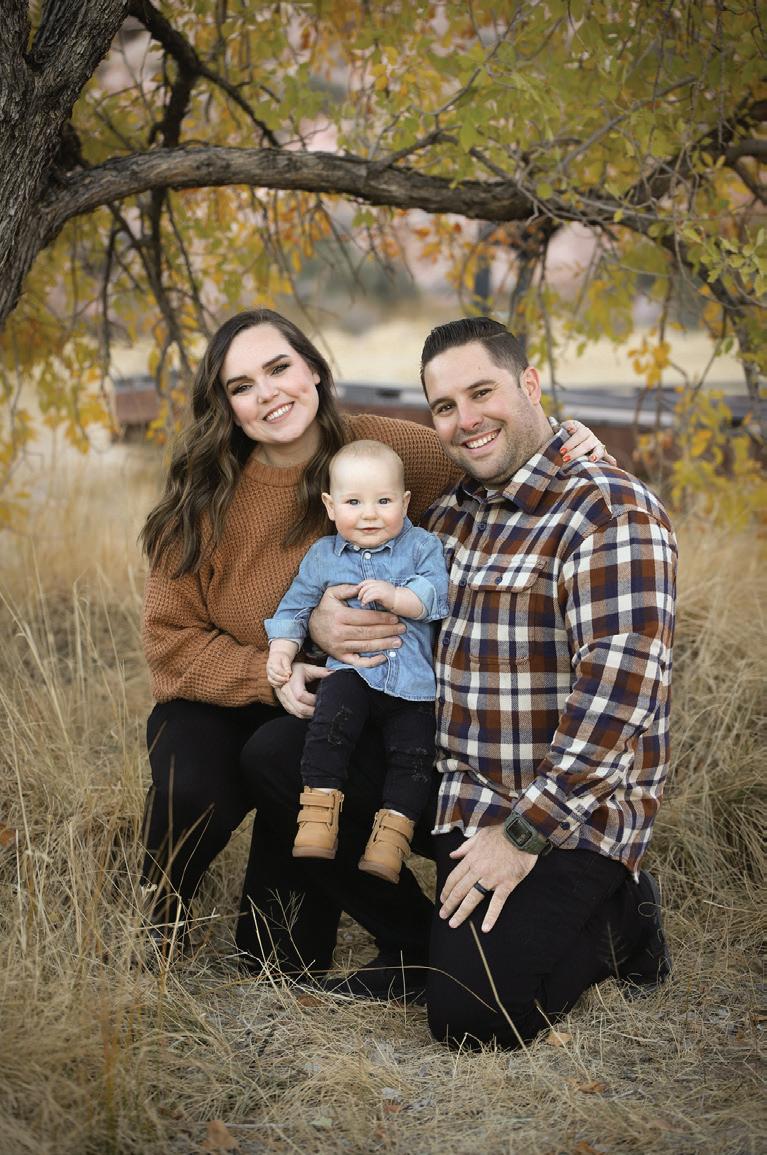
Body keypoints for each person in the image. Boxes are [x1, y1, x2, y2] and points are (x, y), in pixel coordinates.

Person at [138, 304, 608, 977]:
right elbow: (168, 642)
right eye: (242, 386)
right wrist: (276, 665)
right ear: (227, 406)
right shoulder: (204, 493)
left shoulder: (383, 448)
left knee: (279, 959)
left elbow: (485, 448)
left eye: (279, 368)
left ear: (313, 370)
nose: (267, 393)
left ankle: (414, 940)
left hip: (335, 700)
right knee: (190, 786)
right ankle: (154, 922)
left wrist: (567, 440)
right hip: (226, 693)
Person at [412, 317, 677, 1047]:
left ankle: (625, 920)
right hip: (463, 790)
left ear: (530, 383)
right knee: (284, 757)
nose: (466, 420)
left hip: (568, 816)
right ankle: (418, 940)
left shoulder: (607, 512)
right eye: (444, 406)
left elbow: (619, 695)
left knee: (472, 1018)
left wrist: (521, 835)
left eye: (482, 392)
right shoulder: (447, 518)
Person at [265, 439, 449, 883]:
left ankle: (391, 841)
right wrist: (282, 649)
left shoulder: (421, 546)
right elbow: (296, 606)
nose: (369, 515)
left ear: (404, 502)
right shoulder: (323, 556)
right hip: (352, 674)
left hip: (413, 687)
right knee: (328, 728)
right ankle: (318, 813)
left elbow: (435, 594)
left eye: (384, 501)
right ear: (330, 507)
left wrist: (398, 597)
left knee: (413, 758)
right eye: (353, 502)